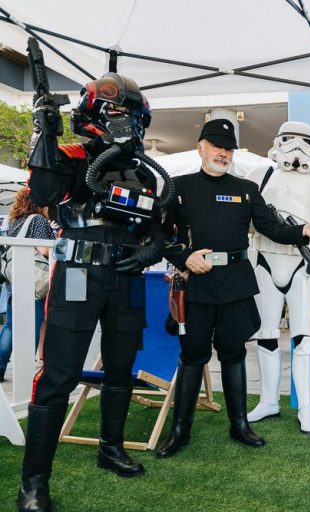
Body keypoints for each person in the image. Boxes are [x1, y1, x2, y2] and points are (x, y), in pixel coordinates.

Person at [19, 73, 171, 511]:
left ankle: (111, 448)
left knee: (121, 367)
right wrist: (44, 133)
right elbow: (43, 192)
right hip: (78, 275)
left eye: (131, 115)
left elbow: (157, 229)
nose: (125, 122)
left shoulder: (144, 173)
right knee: (59, 375)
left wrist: (149, 252)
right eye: (117, 113)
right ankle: (34, 482)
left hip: (127, 278)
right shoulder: (71, 156)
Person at [157, 119, 310, 458]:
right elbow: (159, 235)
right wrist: (183, 256)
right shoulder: (177, 187)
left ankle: (239, 424)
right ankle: (180, 430)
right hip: (196, 284)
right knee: (193, 356)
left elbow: (271, 228)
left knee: (234, 354)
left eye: (228, 148)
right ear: (200, 148)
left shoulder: (246, 188)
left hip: (236, 284)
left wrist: (303, 232)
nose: (222, 153)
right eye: (216, 146)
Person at [246, 121, 310, 433]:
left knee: (305, 338)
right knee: (266, 333)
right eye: (289, 139)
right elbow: (244, 223)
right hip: (264, 260)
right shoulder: (260, 176)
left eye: (304, 141)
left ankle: (306, 407)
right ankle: (268, 400)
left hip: (303, 264)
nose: (297, 147)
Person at [0, 188, 55, 383]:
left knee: (10, 324)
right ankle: (24, 371)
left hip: (13, 278)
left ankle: (0, 367)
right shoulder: (38, 220)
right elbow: (44, 250)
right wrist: (53, 235)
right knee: (33, 323)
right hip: (33, 280)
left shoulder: (15, 220)